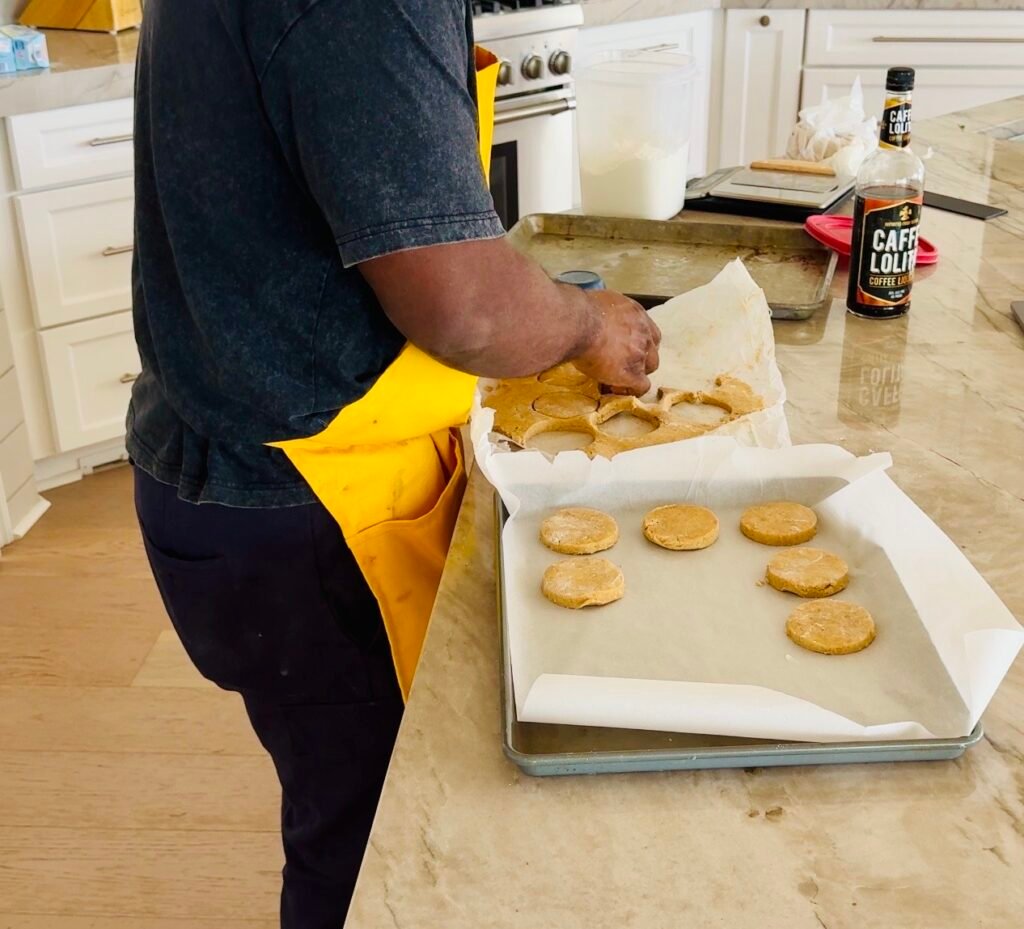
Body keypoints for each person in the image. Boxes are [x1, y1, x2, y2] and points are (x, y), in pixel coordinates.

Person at [129, 2, 660, 927]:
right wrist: (585, 323)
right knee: (373, 848)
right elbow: (466, 306)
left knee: (349, 802)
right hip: (311, 506)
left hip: (239, 460)